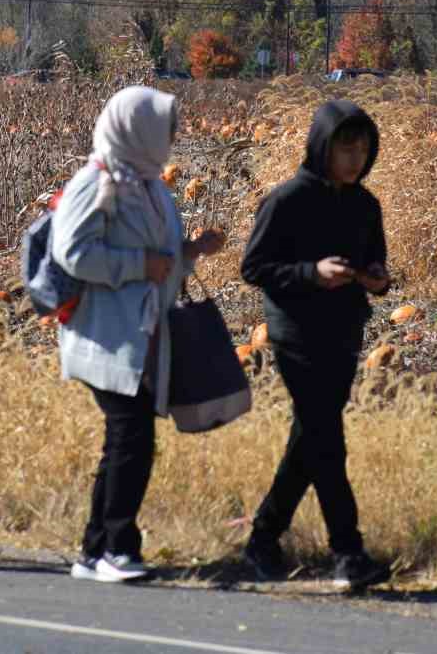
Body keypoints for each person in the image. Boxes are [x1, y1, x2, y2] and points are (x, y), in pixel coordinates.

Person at [48, 86, 224, 583]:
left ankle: (94, 550)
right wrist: (136, 265)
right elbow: (72, 253)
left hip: (142, 334)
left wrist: (191, 252)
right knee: (133, 439)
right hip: (106, 335)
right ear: (136, 129)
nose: (172, 136)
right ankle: (118, 549)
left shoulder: (149, 184)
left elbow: (161, 262)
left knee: (125, 440)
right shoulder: (97, 180)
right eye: (165, 128)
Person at [239, 98, 393, 591]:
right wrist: (312, 273)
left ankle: (263, 538)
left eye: (363, 149)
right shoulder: (287, 200)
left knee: (311, 440)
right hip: (295, 331)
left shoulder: (366, 205)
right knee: (328, 440)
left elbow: (377, 265)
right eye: (346, 148)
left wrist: (376, 280)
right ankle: (348, 554)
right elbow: (254, 268)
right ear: (322, 147)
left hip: (344, 330)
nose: (354, 159)